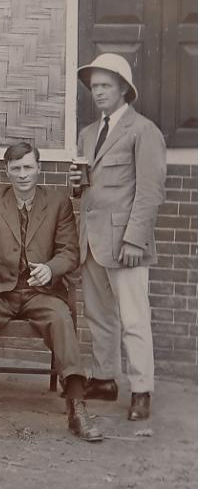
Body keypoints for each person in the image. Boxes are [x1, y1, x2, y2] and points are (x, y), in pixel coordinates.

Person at [0, 143, 102, 442]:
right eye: (16, 168)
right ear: (7, 171)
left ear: (39, 168)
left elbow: (69, 251)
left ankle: (77, 405)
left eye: (28, 167)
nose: (22, 174)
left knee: (61, 318)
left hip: (40, 292)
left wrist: (51, 269)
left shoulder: (58, 203)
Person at [70, 53, 166, 421]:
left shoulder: (144, 131)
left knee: (134, 318)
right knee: (99, 316)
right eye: (94, 86)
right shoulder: (88, 134)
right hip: (91, 242)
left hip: (126, 243)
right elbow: (88, 190)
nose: (98, 92)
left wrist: (134, 240)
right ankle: (105, 378)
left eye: (105, 85)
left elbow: (150, 191)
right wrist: (77, 188)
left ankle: (141, 389)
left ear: (124, 89)